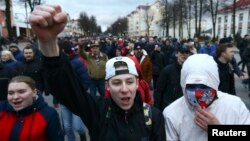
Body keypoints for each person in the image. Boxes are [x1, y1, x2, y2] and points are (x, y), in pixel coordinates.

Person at [28, 4, 166, 141]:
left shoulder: (154, 116)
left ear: (137, 83)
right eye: (117, 82)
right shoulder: (97, 110)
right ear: (107, 86)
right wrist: (49, 43)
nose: (124, 89)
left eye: (129, 82)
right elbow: (66, 89)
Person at [163, 54, 250, 141]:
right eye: (192, 87)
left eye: (204, 86)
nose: (197, 94)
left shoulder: (235, 105)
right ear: (183, 85)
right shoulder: (172, 113)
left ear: (215, 83)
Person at [0, 75, 64, 141]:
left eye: (21, 91)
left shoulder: (48, 114)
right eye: (11, 93)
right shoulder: (1, 108)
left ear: (34, 92)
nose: (15, 97)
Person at [154, 46, 190, 112]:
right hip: (169, 106)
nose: (184, 55)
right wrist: (157, 110)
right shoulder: (167, 70)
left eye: (187, 53)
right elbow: (159, 91)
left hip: (185, 108)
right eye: (182, 52)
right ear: (177, 54)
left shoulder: (191, 71)